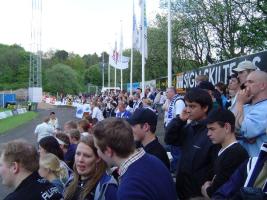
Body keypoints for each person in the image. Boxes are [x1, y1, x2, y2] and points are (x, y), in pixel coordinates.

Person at [93, 118, 177, 200]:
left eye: (97, 148)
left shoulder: (129, 189)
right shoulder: (154, 160)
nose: (97, 152)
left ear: (108, 151)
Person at [164, 88, 220, 199]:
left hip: (198, 193)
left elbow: (216, 168)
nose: (188, 110)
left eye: (192, 106)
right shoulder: (190, 126)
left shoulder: (213, 132)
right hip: (183, 189)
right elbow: (169, 139)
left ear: (205, 108)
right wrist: (179, 120)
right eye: (187, 105)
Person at [201, 109, 248, 198]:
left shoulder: (236, 154)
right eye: (208, 129)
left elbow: (217, 192)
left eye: (212, 129)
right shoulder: (219, 149)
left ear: (227, 127)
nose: (208, 134)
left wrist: (207, 189)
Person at [64, 136, 117, 200]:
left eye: (87, 156)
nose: (80, 159)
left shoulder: (107, 187)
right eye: (78, 154)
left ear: (98, 158)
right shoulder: (71, 179)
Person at [235, 70, 267, 156]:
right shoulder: (244, 107)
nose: (245, 85)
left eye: (250, 82)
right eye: (246, 82)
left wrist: (239, 103)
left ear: (262, 86)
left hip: (257, 165)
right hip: (241, 163)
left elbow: (247, 131)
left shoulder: (265, 107)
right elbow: (227, 127)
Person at [164, 86, 185, 173]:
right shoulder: (172, 101)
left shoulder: (179, 101)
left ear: (173, 92)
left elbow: (179, 118)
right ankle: (174, 168)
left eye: (167, 92)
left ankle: (177, 171)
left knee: (176, 152)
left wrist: (172, 130)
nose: (166, 94)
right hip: (172, 130)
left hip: (176, 133)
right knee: (173, 151)